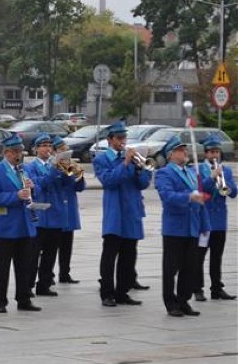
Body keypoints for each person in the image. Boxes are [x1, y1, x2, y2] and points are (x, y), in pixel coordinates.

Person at [94, 122, 151, 308]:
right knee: (110, 255)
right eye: (119, 138)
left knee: (129, 255)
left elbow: (142, 184)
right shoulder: (101, 160)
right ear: (110, 140)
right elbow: (109, 181)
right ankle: (107, 293)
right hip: (115, 212)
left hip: (132, 211)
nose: (122, 141)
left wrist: (141, 168)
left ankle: (122, 292)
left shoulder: (133, 159)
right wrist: (125, 163)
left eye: (124, 138)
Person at [0, 134, 41, 313]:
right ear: (6, 152)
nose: (19, 155)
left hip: (25, 225)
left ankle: (24, 299)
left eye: (21, 152)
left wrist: (33, 188)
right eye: (16, 152)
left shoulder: (25, 169)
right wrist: (15, 196)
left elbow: (35, 191)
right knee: (2, 267)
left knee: (24, 266)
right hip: (6, 227)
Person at [154, 136, 209, 317]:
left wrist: (204, 224)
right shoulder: (164, 173)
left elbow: (200, 199)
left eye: (185, 149)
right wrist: (188, 197)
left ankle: (183, 300)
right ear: (171, 154)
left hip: (192, 226)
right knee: (171, 268)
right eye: (180, 150)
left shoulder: (191, 172)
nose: (185, 152)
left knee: (189, 266)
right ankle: (171, 303)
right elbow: (167, 196)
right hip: (175, 227)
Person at [25, 133, 68, 297]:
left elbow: (70, 185)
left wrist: (69, 171)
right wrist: (53, 169)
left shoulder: (56, 165)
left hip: (56, 215)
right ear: (36, 149)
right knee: (33, 255)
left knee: (50, 255)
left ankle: (44, 285)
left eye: (50, 146)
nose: (47, 149)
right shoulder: (30, 167)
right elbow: (38, 185)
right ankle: (27, 286)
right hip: (40, 217)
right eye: (43, 146)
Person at [194, 136, 237, 301]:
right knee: (199, 256)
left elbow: (233, 192)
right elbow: (199, 189)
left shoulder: (225, 170)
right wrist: (212, 177)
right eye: (212, 152)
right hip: (204, 219)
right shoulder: (198, 170)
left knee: (216, 256)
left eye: (217, 152)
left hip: (219, 220)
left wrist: (226, 184)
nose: (215, 155)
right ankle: (197, 288)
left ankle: (217, 288)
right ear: (205, 154)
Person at [54, 135, 85, 284]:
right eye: (62, 150)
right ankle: (48, 276)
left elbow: (79, 188)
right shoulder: (53, 168)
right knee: (51, 248)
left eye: (66, 150)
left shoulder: (69, 166)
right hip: (56, 211)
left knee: (67, 245)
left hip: (70, 211)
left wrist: (80, 176)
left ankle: (65, 273)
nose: (65, 153)